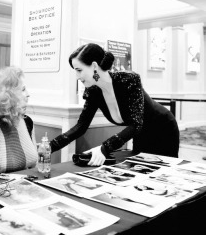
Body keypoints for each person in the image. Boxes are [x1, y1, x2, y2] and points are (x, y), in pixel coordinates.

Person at [50, 43, 180, 166]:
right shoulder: (93, 91)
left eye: (79, 70)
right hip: (140, 134)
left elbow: (136, 123)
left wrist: (104, 148)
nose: (77, 76)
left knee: (166, 172)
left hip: (163, 127)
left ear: (94, 66)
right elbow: (80, 127)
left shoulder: (129, 80)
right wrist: (48, 147)